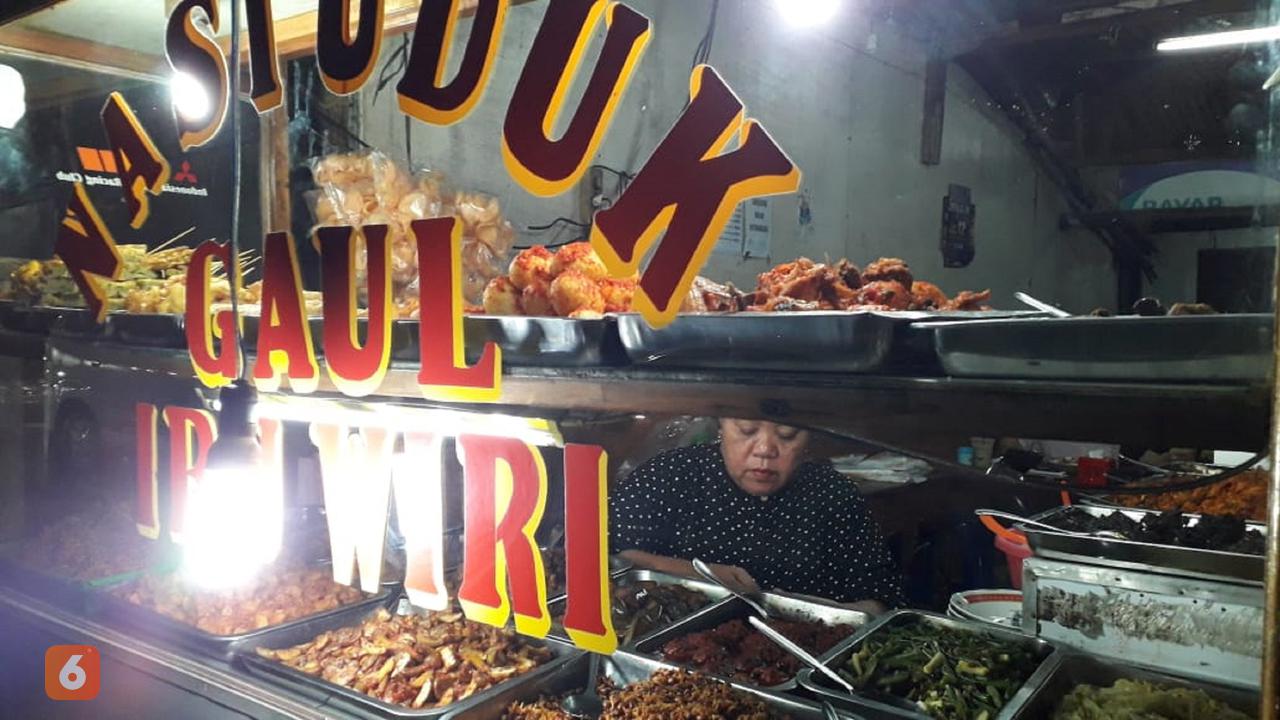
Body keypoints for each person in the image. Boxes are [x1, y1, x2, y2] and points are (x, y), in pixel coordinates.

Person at [610, 418, 904, 615]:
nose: (765, 450)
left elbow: (882, 599)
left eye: (788, 435)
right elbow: (610, 555)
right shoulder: (671, 475)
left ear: (808, 438)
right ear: (722, 426)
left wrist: (813, 611)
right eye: (747, 430)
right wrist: (703, 575)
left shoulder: (833, 494)